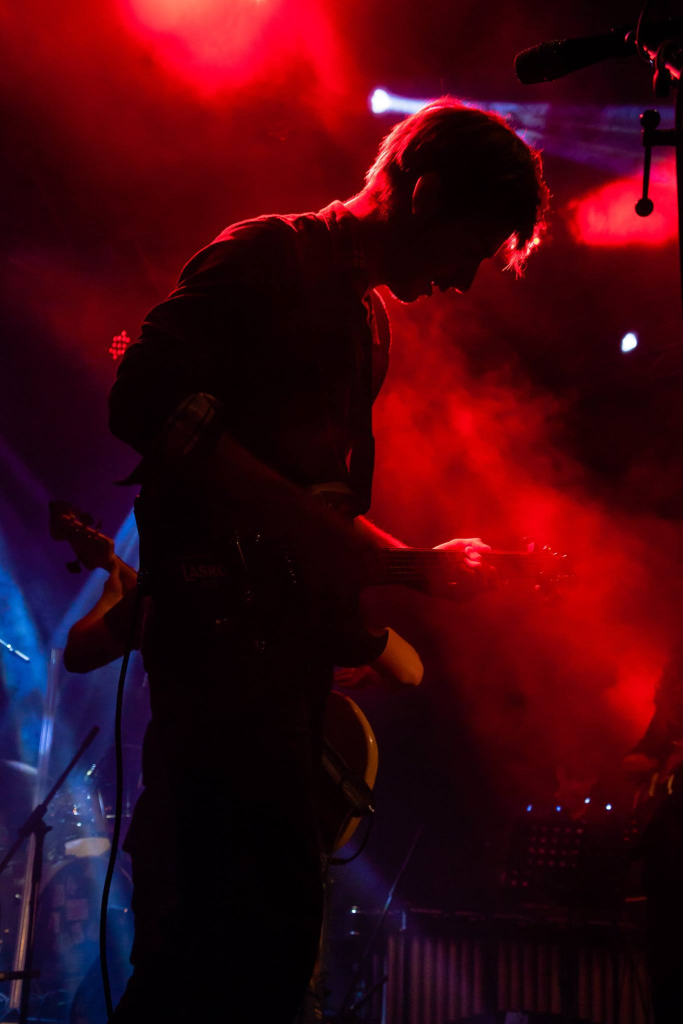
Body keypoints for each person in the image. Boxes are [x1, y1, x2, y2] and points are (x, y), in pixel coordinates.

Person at [107, 98, 548, 1022]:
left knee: (267, 950)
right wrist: (369, 557)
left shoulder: (367, 324)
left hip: (282, 672)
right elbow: (143, 396)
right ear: (424, 194)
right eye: (469, 247)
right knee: (203, 949)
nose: (464, 279)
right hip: (214, 656)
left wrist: (410, 564)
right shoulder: (264, 256)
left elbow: (318, 510)